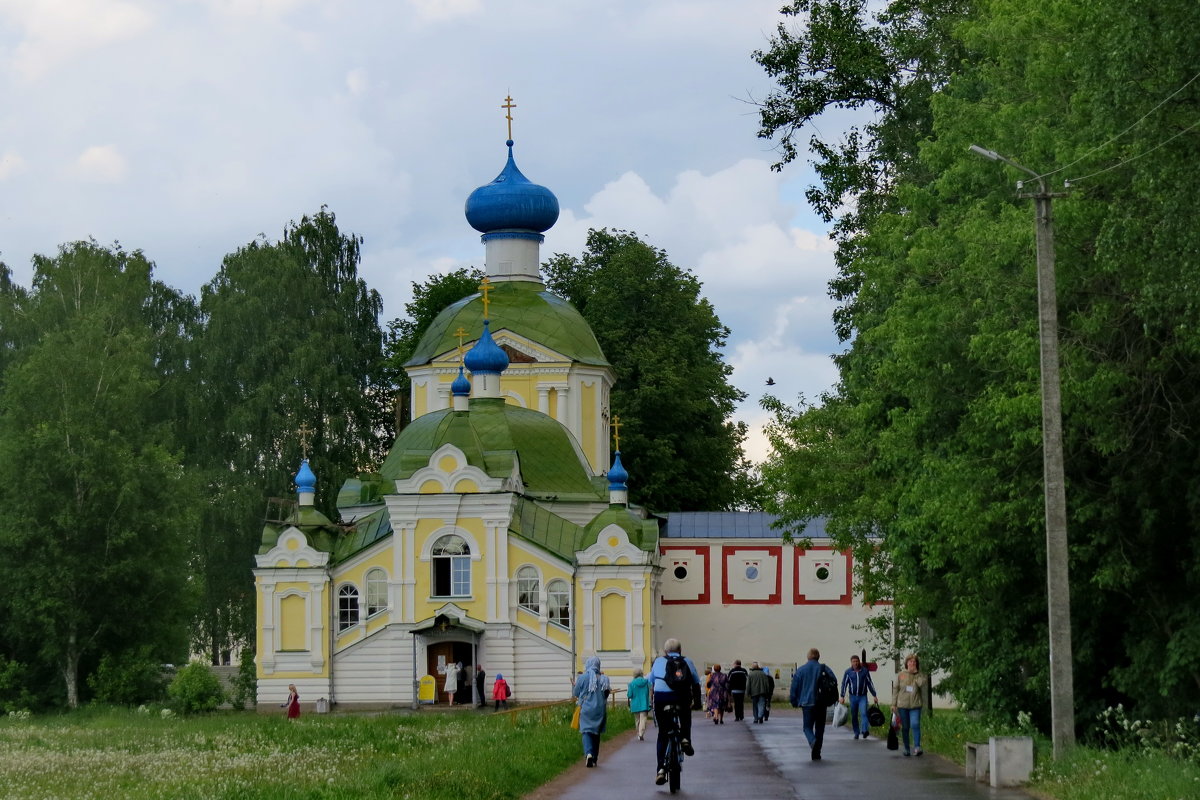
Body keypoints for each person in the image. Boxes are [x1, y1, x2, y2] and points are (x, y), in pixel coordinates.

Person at [650, 637, 701, 786]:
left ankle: (660, 770)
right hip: (682, 697)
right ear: (680, 650)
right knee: (685, 717)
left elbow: (652, 681)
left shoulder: (658, 661)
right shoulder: (688, 661)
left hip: (661, 699)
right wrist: (697, 703)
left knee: (663, 733)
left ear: (666, 651)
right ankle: (685, 739)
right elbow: (696, 683)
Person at [789, 647, 838, 760]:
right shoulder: (824, 668)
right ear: (818, 657)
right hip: (821, 702)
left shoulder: (801, 670)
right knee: (820, 728)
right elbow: (834, 680)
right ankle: (816, 753)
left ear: (808, 656)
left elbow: (794, 687)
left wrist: (794, 701)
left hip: (807, 703)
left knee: (807, 727)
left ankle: (812, 741)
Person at [573, 656, 611, 767]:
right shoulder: (604, 678)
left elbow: (576, 693)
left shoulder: (583, 677)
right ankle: (594, 757)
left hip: (586, 709)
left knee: (586, 731)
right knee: (596, 733)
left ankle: (588, 753)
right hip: (600, 710)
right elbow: (606, 694)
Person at [892, 653, 928, 756]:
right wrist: (893, 704)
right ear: (907, 663)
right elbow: (896, 689)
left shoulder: (920, 674)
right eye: (910, 661)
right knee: (906, 727)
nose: (912, 663)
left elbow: (921, 684)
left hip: (915, 705)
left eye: (914, 662)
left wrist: (916, 673)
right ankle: (907, 748)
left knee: (915, 724)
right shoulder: (901, 674)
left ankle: (917, 747)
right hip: (902, 705)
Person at [841, 654, 879, 740]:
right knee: (854, 715)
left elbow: (870, 683)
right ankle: (856, 732)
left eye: (857, 661)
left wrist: (874, 695)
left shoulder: (864, 671)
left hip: (863, 696)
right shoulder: (848, 672)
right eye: (854, 661)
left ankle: (865, 730)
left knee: (864, 713)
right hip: (853, 697)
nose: (855, 663)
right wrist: (842, 696)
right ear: (851, 662)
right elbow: (844, 684)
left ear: (859, 662)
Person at [627, 668, 652, 741]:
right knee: (643, 719)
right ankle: (641, 733)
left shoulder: (631, 683)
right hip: (644, 704)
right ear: (641, 674)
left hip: (635, 705)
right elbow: (651, 690)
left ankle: (639, 732)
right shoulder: (647, 682)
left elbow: (629, 695)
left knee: (637, 720)